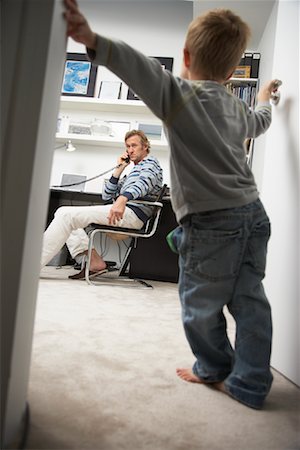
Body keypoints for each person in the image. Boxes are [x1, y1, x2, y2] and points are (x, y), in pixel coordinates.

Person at [64, 0, 280, 409]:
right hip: (254, 215)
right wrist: (267, 96)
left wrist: (91, 39)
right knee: (250, 298)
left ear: (184, 58)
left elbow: (138, 66)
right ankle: (251, 384)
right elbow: (261, 121)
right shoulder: (237, 107)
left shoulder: (179, 95)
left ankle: (214, 367)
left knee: (198, 302)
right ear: (233, 72)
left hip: (212, 222)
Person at [41, 130, 163, 278]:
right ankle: (95, 262)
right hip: (124, 211)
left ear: (145, 147)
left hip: (132, 215)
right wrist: (119, 169)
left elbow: (143, 184)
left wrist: (122, 199)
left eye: (134, 146)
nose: (130, 150)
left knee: (65, 215)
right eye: (127, 147)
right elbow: (107, 195)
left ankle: (31, 265)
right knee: (64, 214)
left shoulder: (151, 164)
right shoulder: (132, 172)